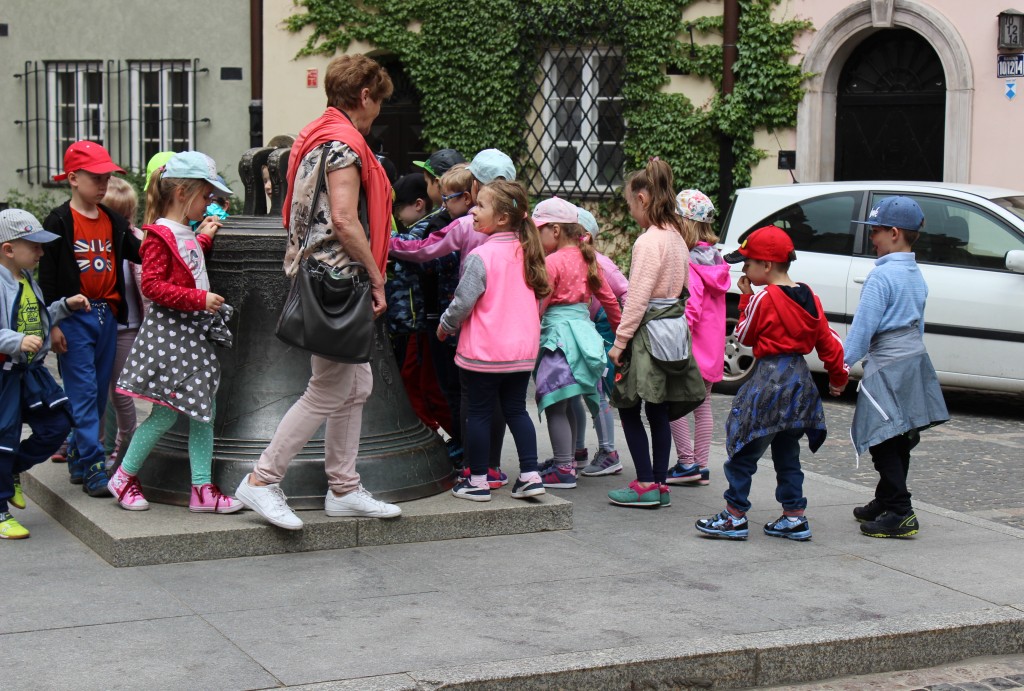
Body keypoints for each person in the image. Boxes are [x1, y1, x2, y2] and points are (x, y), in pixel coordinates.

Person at [235, 53, 401, 530]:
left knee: (357, 384)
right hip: (339, 280)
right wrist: (377, 276)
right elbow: (345, 220)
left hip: (324, 277)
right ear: (364, 96)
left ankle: (344, 488)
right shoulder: (345, 147)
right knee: (328, 388)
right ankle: (262, 479)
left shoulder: (316, 138)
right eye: (378, 103)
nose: (377, 114)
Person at [695, 225, 849, 540]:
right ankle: (794, 517)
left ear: (766, 265)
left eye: (748, 263)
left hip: (769, 381)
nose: (745, 270)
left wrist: (745, 299)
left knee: (745, 450)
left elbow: (744, 336)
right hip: (799, 382)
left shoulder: (763, 298)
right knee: (787, 452)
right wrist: (838, 377)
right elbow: (829, 341)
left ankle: (734, 516)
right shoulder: (810, 296)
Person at [108, 151, 241, 514]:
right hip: (173, 337)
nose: (209, 203)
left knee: (202, 412)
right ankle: (124, 477)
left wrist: (204, 239)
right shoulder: (159, 236)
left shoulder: (182, 233)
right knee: (169, 414)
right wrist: (199, 299)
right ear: (182, 193)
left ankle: (201, 489)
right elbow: (152, 285)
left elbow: (187, 264)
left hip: (188, 337)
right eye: (206, 196)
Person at [390, 149, 519, 488]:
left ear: (474, 187)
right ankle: (493, 466)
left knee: (468, 396)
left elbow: (423, 250)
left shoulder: (466, 224)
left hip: (473, 323)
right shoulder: (524, 228)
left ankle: (472, 467)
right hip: (512, 327)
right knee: (503, 399)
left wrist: (384, 242)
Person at [39, 141, 142, 497]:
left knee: (98, 394)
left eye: (107, 178)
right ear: (73, 179)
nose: (103, 184)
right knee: (82, 393)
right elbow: (47, 279)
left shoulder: (112, 220)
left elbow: (140, 253)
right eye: (96, 178)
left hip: (107, 317)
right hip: (73, 318)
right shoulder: (59, 221)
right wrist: (52, 323)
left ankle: (79, 457)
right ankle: (96, 466)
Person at [438, 180, 550, 502]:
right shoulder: (530, 254)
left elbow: (463, 303)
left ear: (501, 218)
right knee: (516, 410)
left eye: (481, 205)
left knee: (478, 414)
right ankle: (530, 475)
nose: (473, 210)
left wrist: (445, 326)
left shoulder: (481, 256)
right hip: (521, 354)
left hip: (483, 354)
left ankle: (477, 480)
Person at [845, 196, 949, 538]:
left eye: (874, 231)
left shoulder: (881, 277)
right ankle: (886, 499)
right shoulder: (916, 274)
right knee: (900, 434)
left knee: (882, 438)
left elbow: (863, 330)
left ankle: (902, 512)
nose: (871, 238)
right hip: (913, 360)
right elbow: (919, 325)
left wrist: (841, 365)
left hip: (888, 365)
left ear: (894, 233)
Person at [0, 210, 90, 539]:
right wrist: (16, 341)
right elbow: (13, 331)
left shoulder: (27, 279)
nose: (41, 252)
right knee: (4, 438)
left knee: (59, 424)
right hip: (6, 374)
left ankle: (11, 470)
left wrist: (63, 307)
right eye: (34, 246)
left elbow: (35, 319)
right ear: (8, 249)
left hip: (31, 371)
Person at [532, 197, 621, 490]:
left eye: (539, 230)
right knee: (570, 400)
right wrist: (621, 337)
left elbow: (540, 305)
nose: (536, 237)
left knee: (556, 402)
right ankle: (567, 460)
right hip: (584, 338)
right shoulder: (588, 260)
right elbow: (610, 301)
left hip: (559, 340)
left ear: (556, 230)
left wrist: (527, 333)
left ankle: (562, 468)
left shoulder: (552, 262)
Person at [666, 189, 729, 487]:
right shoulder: (715, 261)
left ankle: (686, 462)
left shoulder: (690, 263)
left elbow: (690, 309)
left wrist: (676, 343)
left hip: (690, 350)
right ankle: (701, 465)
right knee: (703, 407)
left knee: (672, 404)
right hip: (712, 352)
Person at [386, 173, 456, 439]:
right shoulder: (426, 224)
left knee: (424, 384)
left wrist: (379, 231)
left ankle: (440, 435)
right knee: (417, 381)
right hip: (413, 320)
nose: (396, 215)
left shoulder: (427, 227)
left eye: (397, 208)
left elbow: (411, 248)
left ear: (417, 205)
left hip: (419, 320)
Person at [574, 207, 628, 478]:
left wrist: (623, 334)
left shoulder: (602, 263)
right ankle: (577, 450)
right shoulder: (565, 259)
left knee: (596, 390)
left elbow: (625, 291)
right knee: (577, 390)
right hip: (582, 329)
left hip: (603, 329)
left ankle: (609, 452)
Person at [100, 177, 147, 468]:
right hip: (101, 325)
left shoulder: (136, 239)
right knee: (99, 391)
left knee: (121, 391)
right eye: (119, 214)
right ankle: (95, 448)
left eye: (128, 214)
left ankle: (125, 444)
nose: (125, 221)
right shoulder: (97, 245)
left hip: (127, 327)